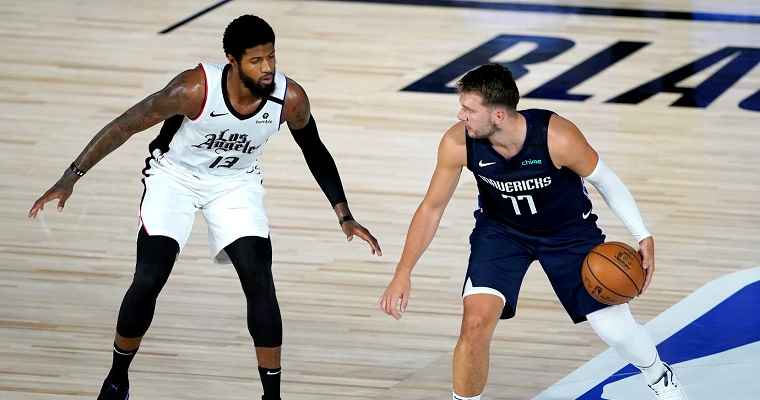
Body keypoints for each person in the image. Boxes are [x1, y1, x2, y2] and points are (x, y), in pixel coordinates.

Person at [28, 14, 381, 400]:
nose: (267, 69)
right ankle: (117, 379)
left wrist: (344, 214)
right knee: (150, 277)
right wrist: (71, 176)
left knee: (259, 277)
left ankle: (272, 396)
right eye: (256, 61)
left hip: (235, 183)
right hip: (174, 177)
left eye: (271, 57)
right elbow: (126, 124)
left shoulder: (289, 99)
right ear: (232, 59)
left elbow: (314, 149)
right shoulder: (193, 88)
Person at [378, 63, 687, 400]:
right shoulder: (458, 143)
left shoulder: (557, 136)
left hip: (568, 233)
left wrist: (643, 234)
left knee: (614, 329)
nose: (459, 115)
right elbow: (431, 208)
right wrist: (402, 272)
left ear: (498, 115)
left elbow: (604, 179)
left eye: (468, 109)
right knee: (475, 324)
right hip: (501, 232)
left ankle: (659, 376)